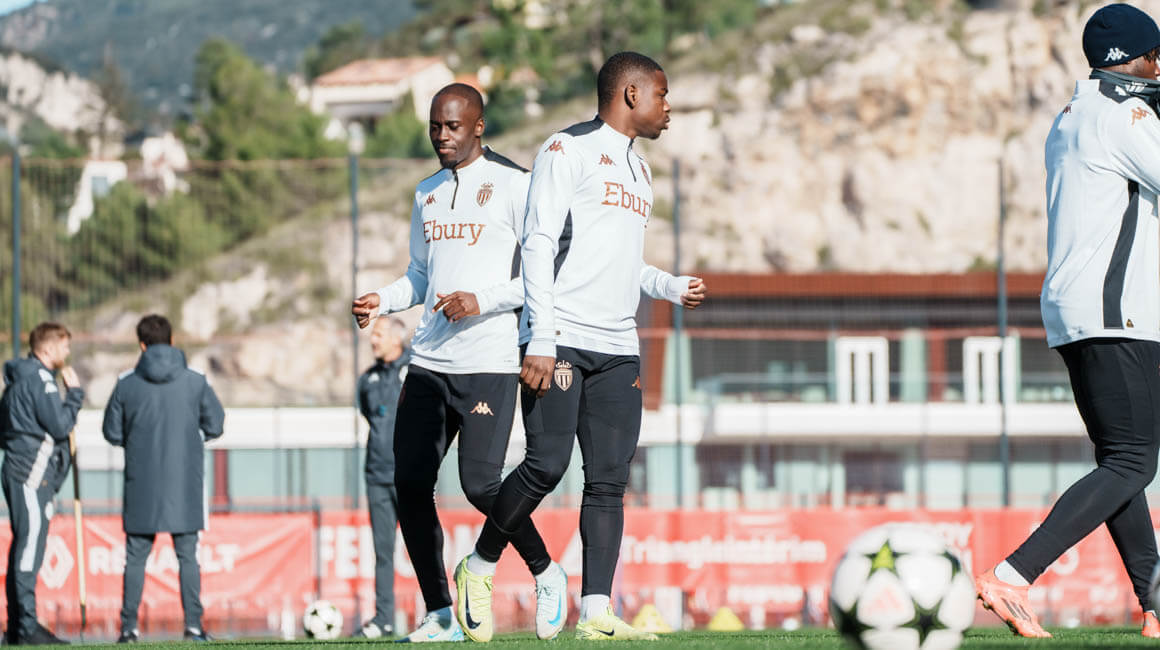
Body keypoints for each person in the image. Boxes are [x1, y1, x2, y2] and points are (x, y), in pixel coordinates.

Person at [453, 51, 706, 642]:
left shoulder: (640, 170)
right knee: (546, 464)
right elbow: (540, 243)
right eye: (662, 94)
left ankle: (595, 614)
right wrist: (540, 336)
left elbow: (618, 260)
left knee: (609, 481)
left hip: (619, 343)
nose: (668, 106)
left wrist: (667, 286)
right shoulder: (566, 150)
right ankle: (479, 566)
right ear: (632, 94)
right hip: (560, 335)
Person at [351, 82, 566, 643]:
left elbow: (540, 277)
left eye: (452, 126)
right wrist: (383, 299)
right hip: (428, 361)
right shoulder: (425, 192)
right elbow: (420, 276)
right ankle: (440, 613)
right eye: (435, 127)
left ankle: (546, 571)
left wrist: (480, 300)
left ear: (478, 127)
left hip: (488, 360)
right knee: (409, 483)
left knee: (478, 485)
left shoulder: (516, 185)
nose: (442, 136)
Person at [976, 3, 1160, 640]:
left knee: (1121, 460)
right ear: (1138, 60)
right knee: (1132, 462)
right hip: (1117, 308)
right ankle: (1012, 575)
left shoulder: (1074, 113)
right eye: (1156, 57)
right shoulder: (1126, 116)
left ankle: (1155, 603)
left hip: (1080, 307)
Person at [102, 314, 224, 643]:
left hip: (140, 483)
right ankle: (194, 627)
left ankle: (128, 629)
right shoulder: (195, 381)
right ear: (172, 341)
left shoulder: (126, 383)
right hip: (184, 484)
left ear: (141, 345)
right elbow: (215, 425)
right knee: (188, 556)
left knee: (135, 558)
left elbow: (112, 432)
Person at [1, 322, 83, 645]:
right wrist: (74, 395)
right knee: (29, 546)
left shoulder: (18, 380)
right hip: (31, 473)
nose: (67, 352)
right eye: (64, 346)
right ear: (47, 348)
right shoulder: (41, 380)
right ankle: (26, 626)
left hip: (18, 469)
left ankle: (17, 627)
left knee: (23, 544)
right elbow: (60, 426)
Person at [355, 316, 410, 639]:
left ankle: (439, 612)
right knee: (383, 551)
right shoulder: (368, 379)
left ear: (396, 339)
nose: (373, 340)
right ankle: (383, 619)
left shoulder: (417, 371)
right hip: (377, 474)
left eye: (378, 334)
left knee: (424, 547)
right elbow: (368, 414)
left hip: (411, 474)